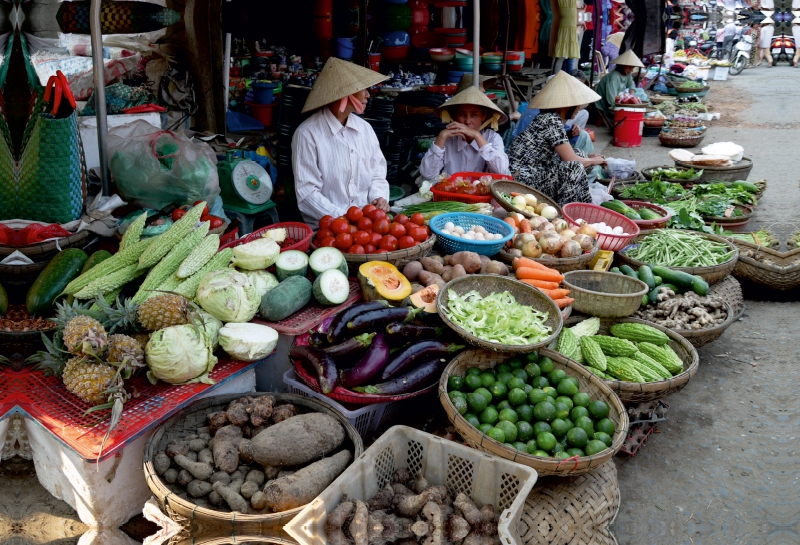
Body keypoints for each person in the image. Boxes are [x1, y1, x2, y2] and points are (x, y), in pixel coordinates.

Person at [292, 57, 391, 229]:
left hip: (368, 224)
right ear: (346, 94)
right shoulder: (307, 134)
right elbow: (307, 192)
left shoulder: (365, 129)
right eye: (363, 89)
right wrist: (344, 219)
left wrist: (379, 198)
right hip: (328, 227)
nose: (368, 94)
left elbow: (377, 174)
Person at [507, 71, 605, 206]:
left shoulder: (552, 119)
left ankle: (573, 205)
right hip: (521, 181)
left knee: (580, 154)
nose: (579, 109)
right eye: (577, 105)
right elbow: (571, 161)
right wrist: (594, 160)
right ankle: (569, 212)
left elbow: (566, 155)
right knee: (574, 167)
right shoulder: (550, 120)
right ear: (566, 105)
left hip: (534, 173)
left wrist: (590, 158)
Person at [419, 86, 509, 180]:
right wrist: (441, 136)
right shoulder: (447, 138)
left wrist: (477, 136)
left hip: (482, 193)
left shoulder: (492, 137)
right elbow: (427, 174)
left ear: (484, 116)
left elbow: (501, 170)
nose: (467, 121)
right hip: (451, 192)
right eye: (462, 115)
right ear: (455, 116)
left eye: (474, 115)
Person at [594, 50, 644, 125]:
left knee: (641, 92)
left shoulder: (628, 74)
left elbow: (631, 85)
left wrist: (631, 96)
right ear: (622, 65)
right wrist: (626, 107)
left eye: (632, 68)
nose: (631, 70)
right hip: (606, 106)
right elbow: (611, 100)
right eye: (629, 67)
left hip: (616, 101)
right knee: (630, 118)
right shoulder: (613, 77)